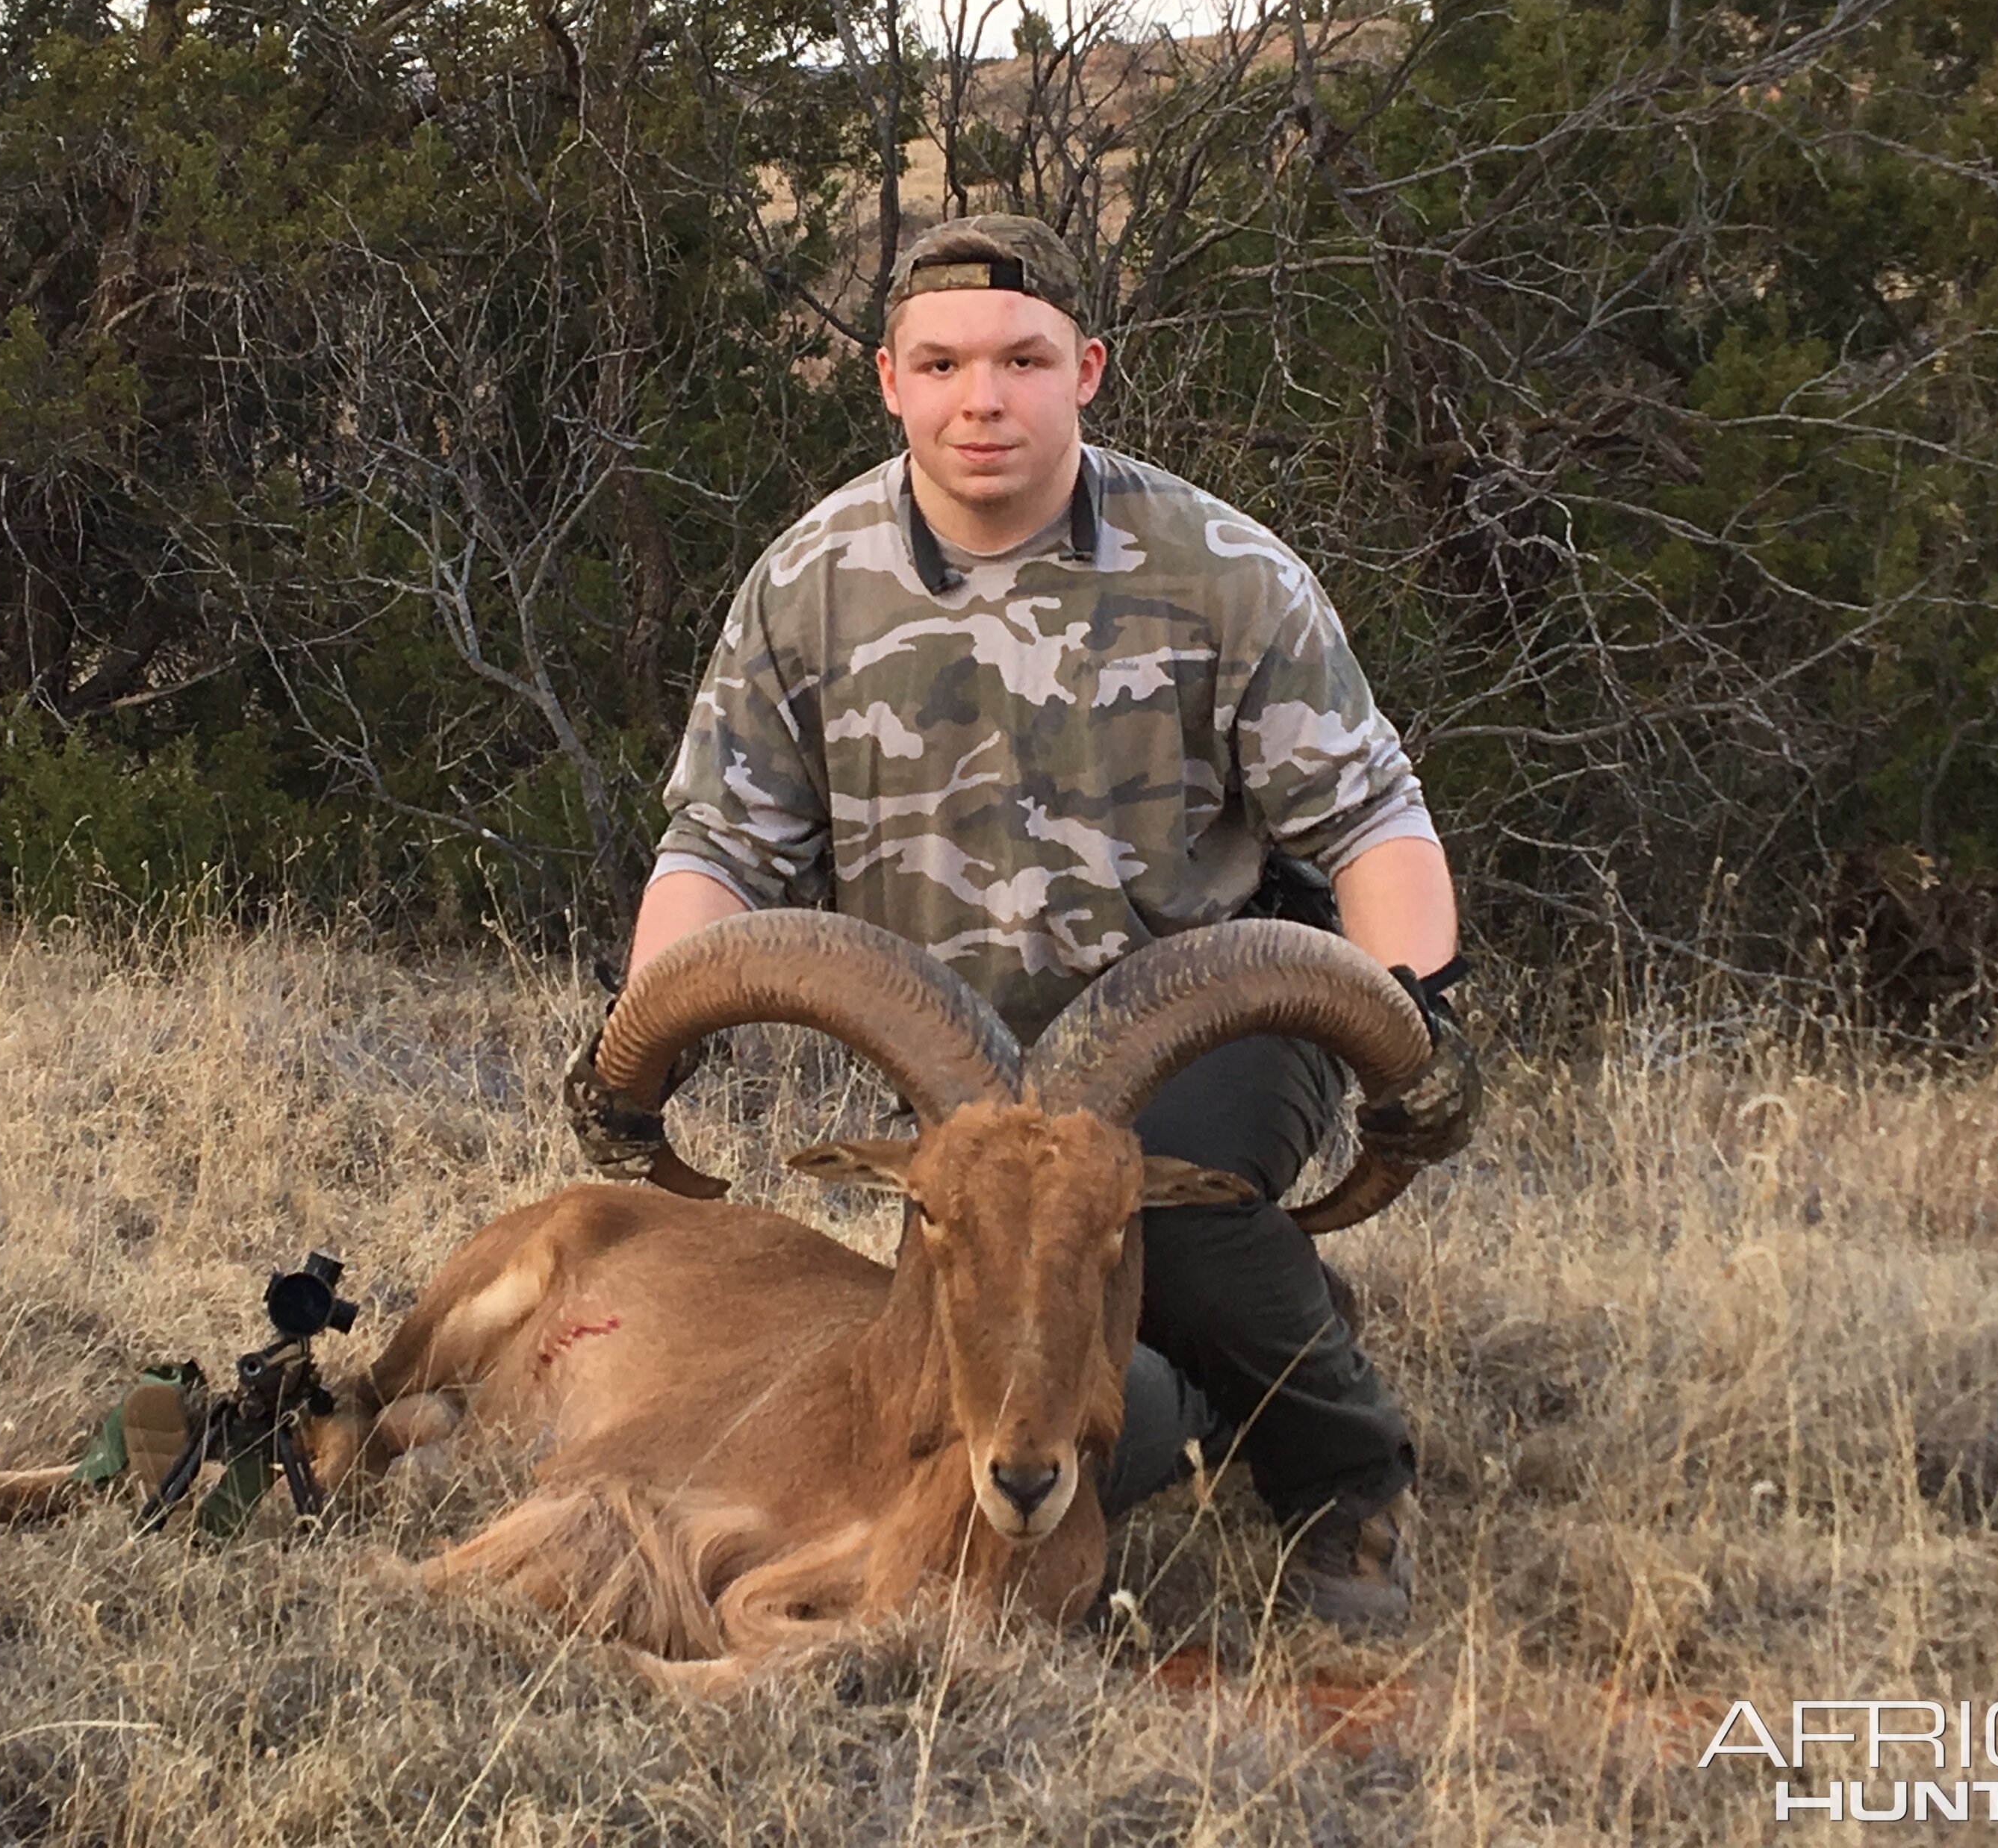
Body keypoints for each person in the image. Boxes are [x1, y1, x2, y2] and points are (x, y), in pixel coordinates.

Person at [576, 212, 1478, 1625]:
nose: (979, 398)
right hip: (965, 1065)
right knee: (987, 1365)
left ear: (1088, 368)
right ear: (887, 379)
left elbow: (1372, 821)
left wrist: (1415, 1016)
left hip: (1202, 1024)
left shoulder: (1222, 567)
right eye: (939, 363)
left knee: (1165, 1213)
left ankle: (1344, 1481)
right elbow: (718, 845)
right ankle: (1192, 1387)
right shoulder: (807, 583)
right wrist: (640, 1045)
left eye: (1021, 358)